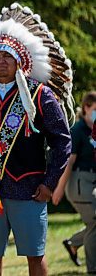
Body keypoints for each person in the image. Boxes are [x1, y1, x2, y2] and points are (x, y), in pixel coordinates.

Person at [0, 2, 74, 276]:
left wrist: (49, 183)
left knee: (35, 255)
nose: (0, 61)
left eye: (7, 56)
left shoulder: (39, 95)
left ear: (19, 61)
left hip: (29, 189)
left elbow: (62, 141)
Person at [52, 90, 96, 273]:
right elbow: (68, 162)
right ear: (86, 108)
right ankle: (93, 268)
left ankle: (73, 244)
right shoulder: (77, 131)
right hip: (79, 183)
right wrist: (58, 190)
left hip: (92, 183)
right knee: (95, 222)